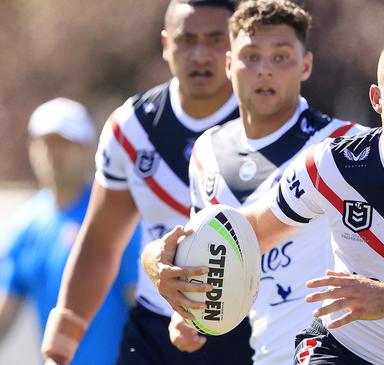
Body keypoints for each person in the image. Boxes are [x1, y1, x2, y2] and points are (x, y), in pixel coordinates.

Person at [150, 30, 384, 364]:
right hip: (343, 349)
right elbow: (247, 231)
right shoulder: (333, 165)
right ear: (377, 98)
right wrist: (167, 266)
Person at [140, 1, 365, 364]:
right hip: (267, 354)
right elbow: (210, 255)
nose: (264, 71)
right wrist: (186, 313)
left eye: (280, 57)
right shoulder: (206, 151)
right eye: (251, 56)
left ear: (305, 65)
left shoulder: (347, 146)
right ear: (229, 64)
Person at [40, 1, 254, 365]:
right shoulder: (132, 127)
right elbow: (100, 244)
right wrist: (59, 349)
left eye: (215, 39)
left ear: (236, 44)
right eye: (187, 40)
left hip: (252, 330)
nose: (200, 54)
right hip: (155, 331)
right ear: (166, 43)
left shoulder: (270, 124)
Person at [0, 98, 140, 365]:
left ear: (87, 150)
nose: (54, 153)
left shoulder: (110, 217)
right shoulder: (24, 224)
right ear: (31, 148)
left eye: (65, 143)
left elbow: (140, 305)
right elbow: (6, 308)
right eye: (46, 142)